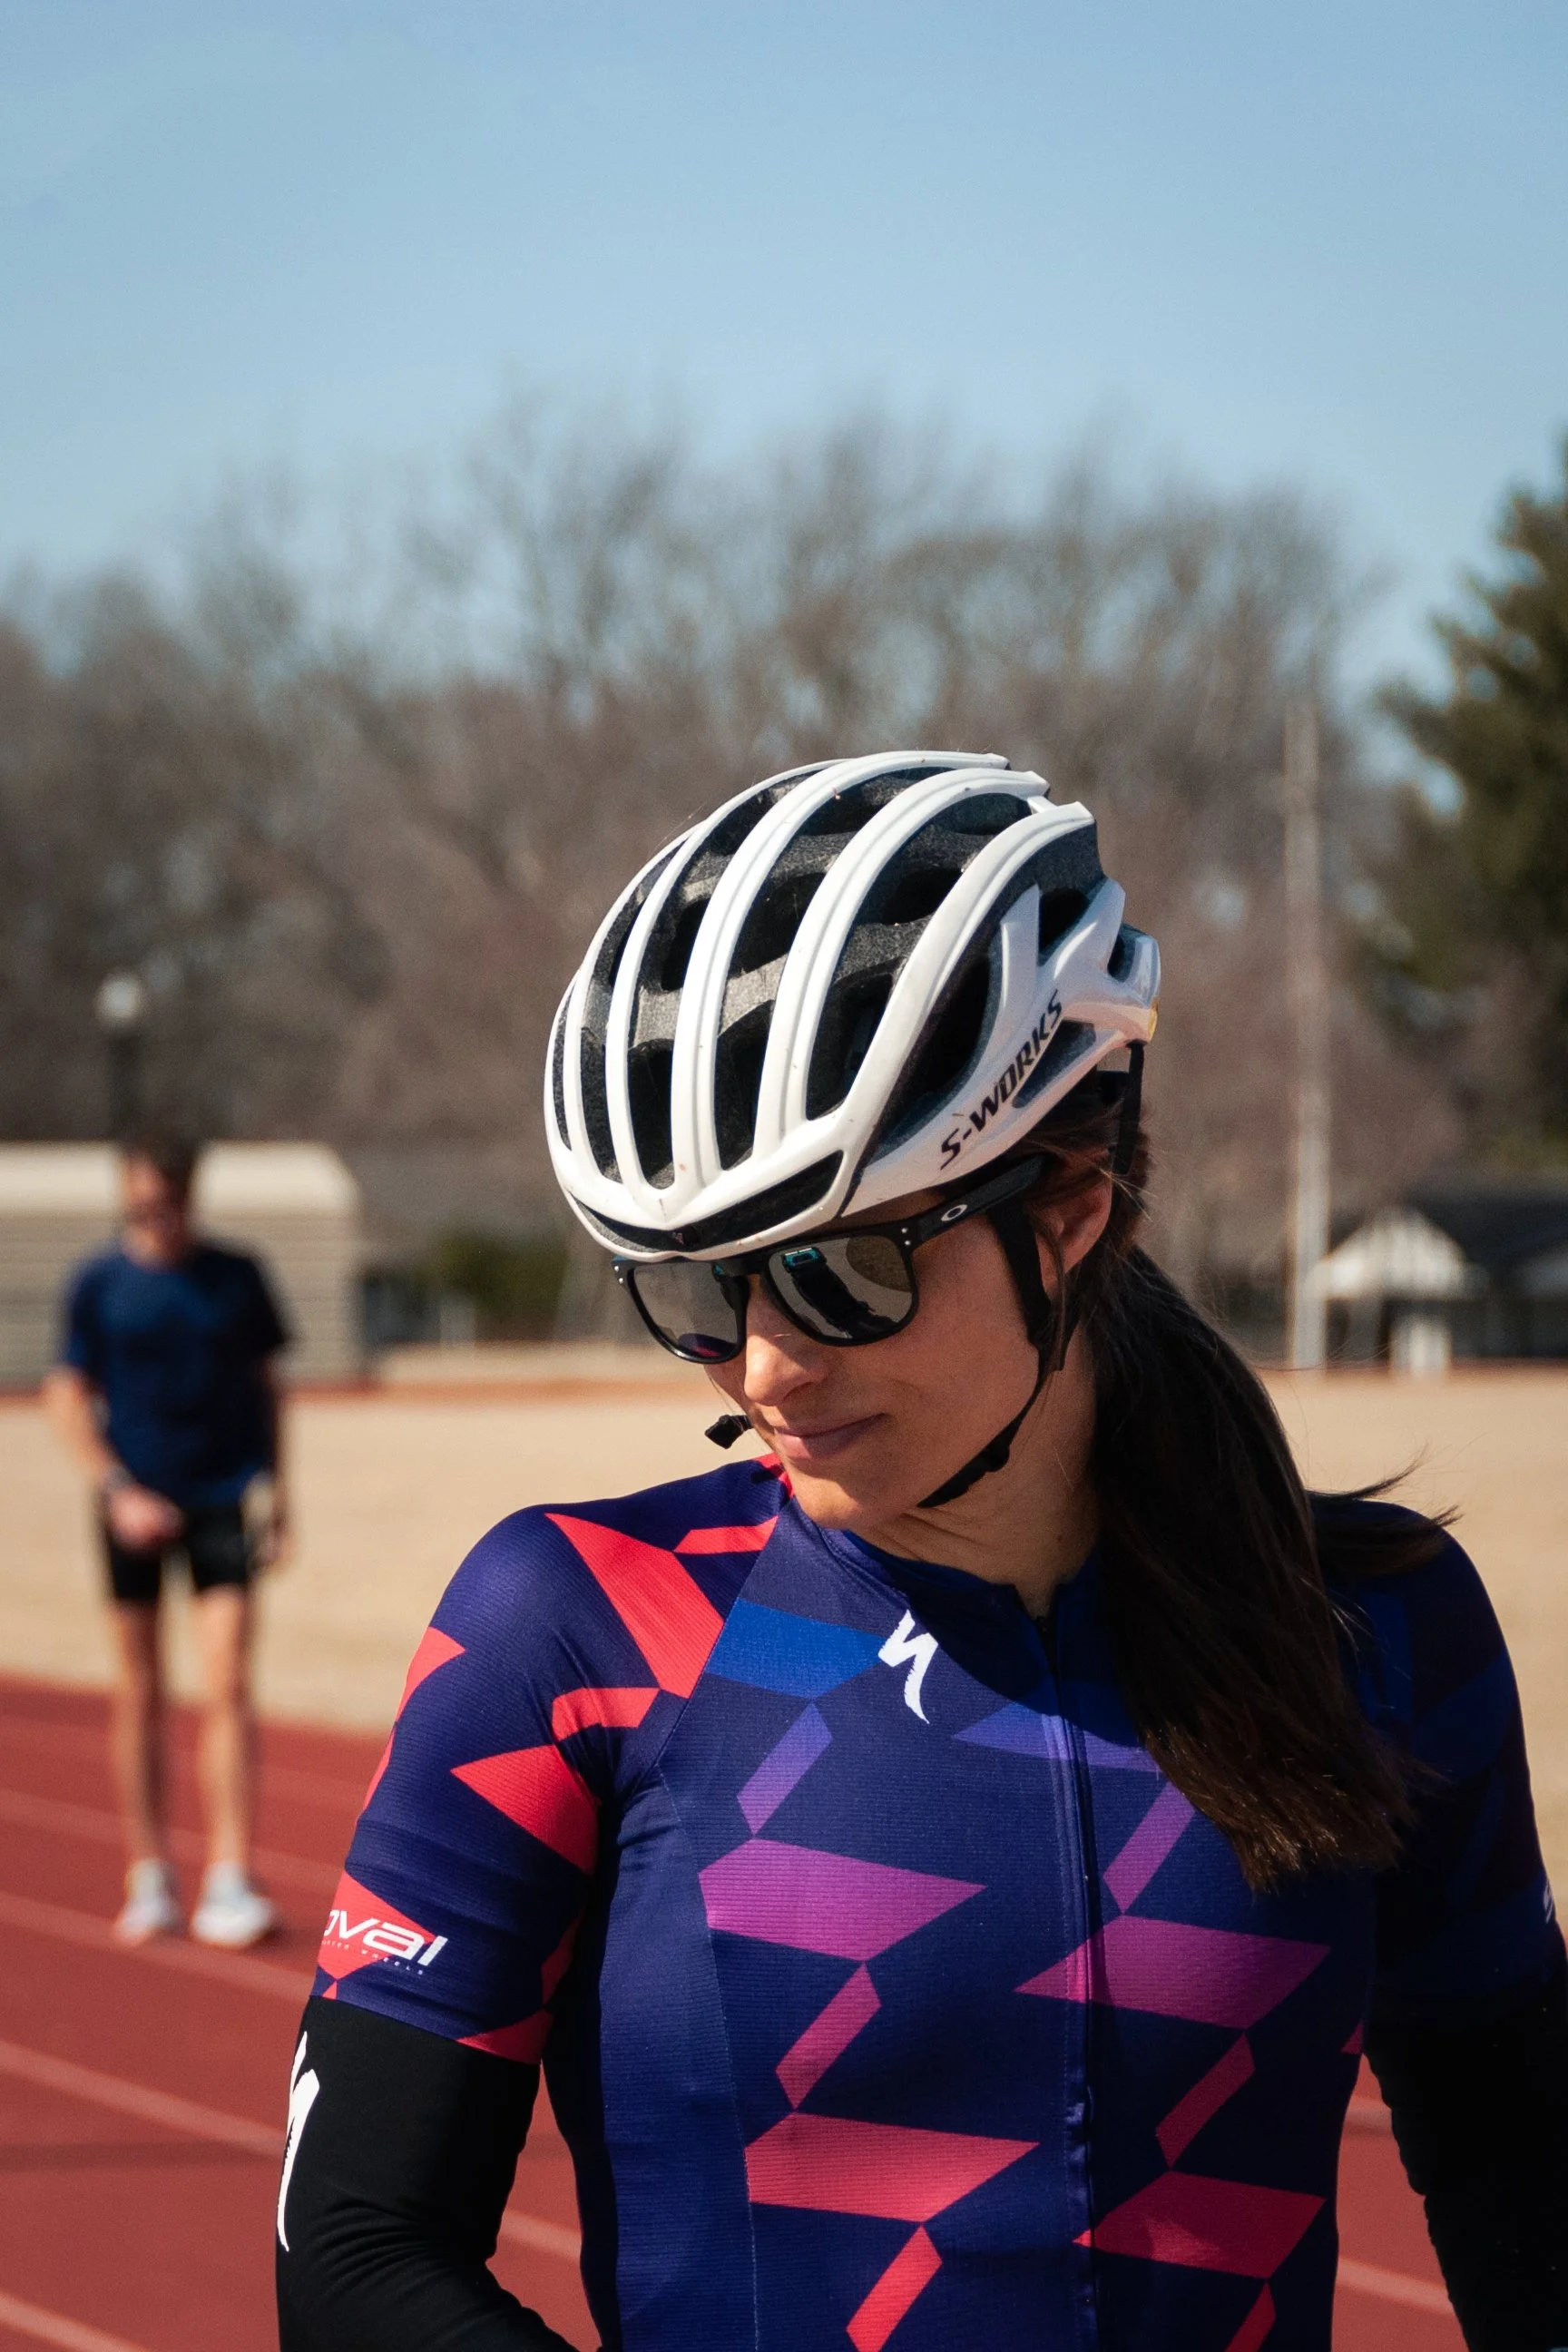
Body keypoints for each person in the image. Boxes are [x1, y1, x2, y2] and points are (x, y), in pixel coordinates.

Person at [276, 752, 1567, 2352]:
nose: (761, 1366)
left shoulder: (1374, 1629)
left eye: (835, 1272)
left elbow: (1525, 2186)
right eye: (697, 1289)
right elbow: (354, 2249)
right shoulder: (573, 1630)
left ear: (1076, 1203)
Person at [44, 1129, 289, 1950]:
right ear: (126, 1194)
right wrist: (116, 1488)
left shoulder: (235, 1277)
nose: (156, 1217)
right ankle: (149, 1873)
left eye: (169, 1203)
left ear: (190, 1197)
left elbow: (268, 1386)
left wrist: (280, 1492)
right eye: (141, 1202)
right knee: (140, 1689)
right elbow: (67, 1394)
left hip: (221, 1499)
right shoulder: (98, 1285)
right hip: (132, 1506)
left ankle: (229, 1875)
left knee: (226, 1683)